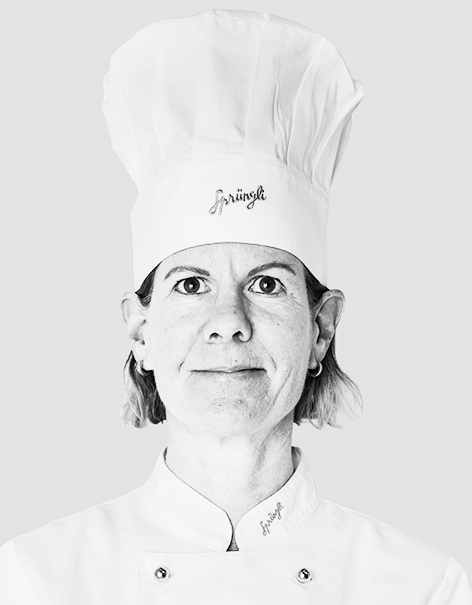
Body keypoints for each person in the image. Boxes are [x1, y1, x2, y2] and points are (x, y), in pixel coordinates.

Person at [1, 8, 471, 604]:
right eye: (190, 285)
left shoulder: (421, 588)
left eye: (266, 285)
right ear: (141, 330)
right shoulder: (35, 580)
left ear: (321, 328)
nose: (228, 323)